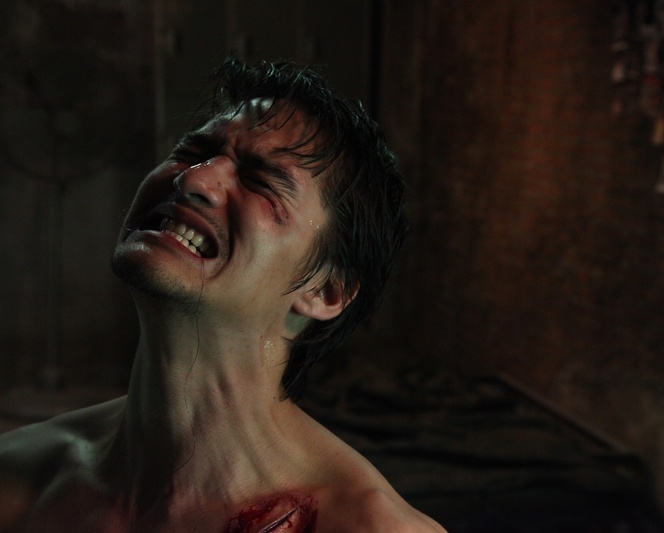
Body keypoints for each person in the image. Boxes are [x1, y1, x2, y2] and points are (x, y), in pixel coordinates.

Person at [0, 58, 446, 533]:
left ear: (325, 290)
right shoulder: (18, 478)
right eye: (192, 152)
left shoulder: (367, 525)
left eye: (260, 180)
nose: (192, 179)